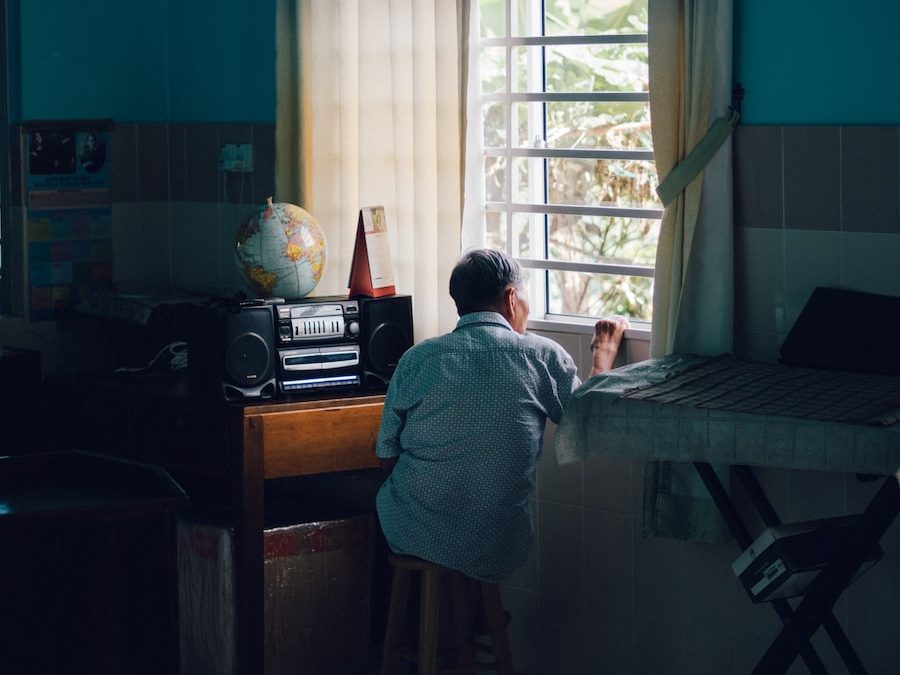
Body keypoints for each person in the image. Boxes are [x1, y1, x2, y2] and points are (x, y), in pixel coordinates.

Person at [375, 248, 627, 582]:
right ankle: (473, 623)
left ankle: (460, 624)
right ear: (511, 298)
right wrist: (603, 357)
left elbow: (385, 458)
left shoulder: (417, 359)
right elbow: (587, 425)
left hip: (408, 531)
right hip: (496, 541)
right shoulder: (540, 357)